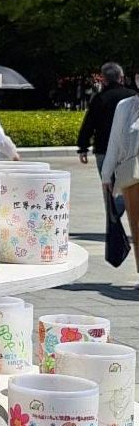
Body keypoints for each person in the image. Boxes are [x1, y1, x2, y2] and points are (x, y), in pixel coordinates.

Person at [77, 62, 135, 211]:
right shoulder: (131, 97)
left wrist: (83, 147)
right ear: (121, 77)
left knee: (108, 185)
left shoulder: (100, 98)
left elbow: (89, 124)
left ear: (104, 79)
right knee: (129, 187)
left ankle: (113, 221)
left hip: (103, 148)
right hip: (128, 150)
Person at [100, 77, 139, 277]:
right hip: (132, 177)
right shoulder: (126, 106)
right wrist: (106, 176)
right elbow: (114, 142)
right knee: (137, 229)